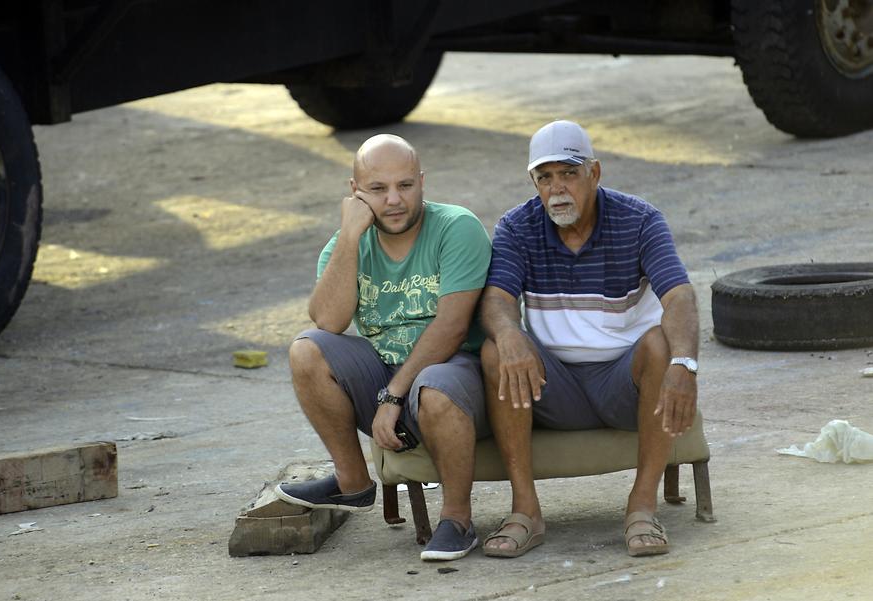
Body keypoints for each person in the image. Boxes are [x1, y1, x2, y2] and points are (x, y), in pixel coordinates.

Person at [479, 120, 699, 558]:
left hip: (623, 384)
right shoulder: (517, 226)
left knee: (658, 346)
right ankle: (526, 511)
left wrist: (685, 364)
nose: (557, 189)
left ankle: (641, 507)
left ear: (595, 174)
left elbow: (679, 297)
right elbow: (497, 299)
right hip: (552, 386)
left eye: (569, 173)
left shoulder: (640, 219)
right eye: (545, 177)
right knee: (494, 350)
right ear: (533, 182)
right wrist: (508, 332)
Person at [275, 134, 492, 562]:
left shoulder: (456, 227)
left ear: (422, 182)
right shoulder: (346, 246)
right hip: (384, 373)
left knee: (434, 386)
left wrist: (393, 395)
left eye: (405, 185)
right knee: (306, 350)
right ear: (355, 192)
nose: (394, 200)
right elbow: (329, 322)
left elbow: (451, 328)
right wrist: (351, 236)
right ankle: (353, 482)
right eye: (377, 189)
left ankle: (457, 520)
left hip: (455, 374)